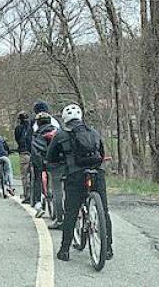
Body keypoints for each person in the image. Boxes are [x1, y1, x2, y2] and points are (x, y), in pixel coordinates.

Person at [46, 103, 113, 262]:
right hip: (97, 173)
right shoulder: (93, 132)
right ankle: (108, 248)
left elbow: (51, 158)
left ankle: (64, 250)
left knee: (71, 212)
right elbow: (102, 153)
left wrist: (56, 166)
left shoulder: (61, 135)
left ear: (64, 119)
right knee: (103, 210)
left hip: (75, 176)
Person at [31, 112, 58, 219]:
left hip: (42, 162)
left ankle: (38, 204)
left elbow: (34, 151)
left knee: (36, 179)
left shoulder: (36, 134)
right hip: (56, 162)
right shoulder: (56, 131)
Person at [14, 111, 33, 204]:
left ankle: (27, 195)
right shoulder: (32, 127)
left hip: (24, 153)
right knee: (34, 175)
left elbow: (17, 139)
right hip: (33, 152)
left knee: (25, 175)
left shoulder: (18, 128)